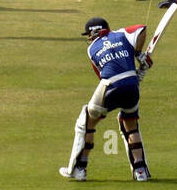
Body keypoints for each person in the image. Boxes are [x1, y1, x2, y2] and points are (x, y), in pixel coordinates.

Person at [59, 17, 153, 181]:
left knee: (86, 122)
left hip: (109, 86)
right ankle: (140, 171)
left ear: (93, 32)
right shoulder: (122, 34)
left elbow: (103, 75)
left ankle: (79, 169)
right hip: (131, 85)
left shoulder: (92, 49)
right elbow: (142, 29)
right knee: (130, 125)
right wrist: (139, 56)